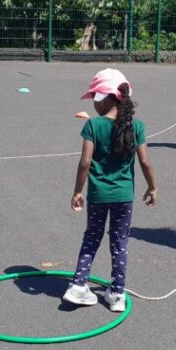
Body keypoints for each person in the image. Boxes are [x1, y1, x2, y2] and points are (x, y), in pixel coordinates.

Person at [64, 68, 157, 311]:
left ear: (106, 98)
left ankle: (79, 285)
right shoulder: (136, 126)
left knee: (92, 237)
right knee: (119, 242)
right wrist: (152, 187)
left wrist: (77, 192)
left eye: (95, 99)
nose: (94, 104)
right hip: (124, 196)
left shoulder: (93, 125)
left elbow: (85, 162)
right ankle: (117, 293)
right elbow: (145, 161)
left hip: (98, 196)